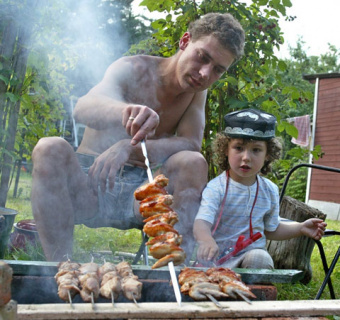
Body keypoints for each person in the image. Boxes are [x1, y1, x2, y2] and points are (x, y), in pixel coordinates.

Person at [31, 12, 246, 262]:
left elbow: (191, 143)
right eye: (202, 57)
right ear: (185, 41)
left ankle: (173, 271)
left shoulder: (197, 92)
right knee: (49, 147)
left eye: (218, 70)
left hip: (142, 195)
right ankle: (60, 267)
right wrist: (125, 111)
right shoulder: (133, 68)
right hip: (88, 184)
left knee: (193, 161)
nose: (204, 74)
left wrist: (128, 148)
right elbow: (83, 107)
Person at [193, 108, 327, 269]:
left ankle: (253, 293)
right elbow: (201, 222)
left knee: (260, 258)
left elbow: (271, 229)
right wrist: (206, 240)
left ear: (268, 154)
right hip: (215, 260)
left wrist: (300, 228)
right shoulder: (216, 188)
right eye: (238, 148)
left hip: (248, 258)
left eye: (256, 150)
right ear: (225, 150)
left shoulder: (269, 190)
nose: (246, 157)